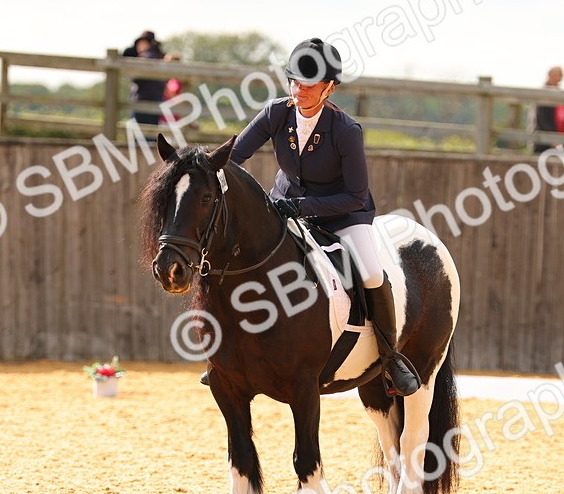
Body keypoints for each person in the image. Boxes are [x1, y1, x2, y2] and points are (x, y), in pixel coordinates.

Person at [206, 37, 420, 396]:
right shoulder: (277, 112)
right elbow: (233, 156)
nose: (299, 89)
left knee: (369, 272)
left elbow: (354, 194)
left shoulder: (346, 130)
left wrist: (304, 208)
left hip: (342, 215)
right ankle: (229, 354)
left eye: (308, 84)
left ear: (329, 87)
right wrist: (203, 168)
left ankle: (390, 358)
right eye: (294, 81)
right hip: (283, 206)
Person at [123, 30, 165, 125]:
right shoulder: (159, 57)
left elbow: (135, 76)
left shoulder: (145, 57)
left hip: (143, 99)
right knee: (151, 132)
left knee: (139, 134)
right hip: (156, 99)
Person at [532, 66, 564, 153]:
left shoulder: (560, 93)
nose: (561, 78)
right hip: (543, 142)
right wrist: (551, 139)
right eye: (559, 75)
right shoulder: (543, 93)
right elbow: (540, 118)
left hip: (558, 140)